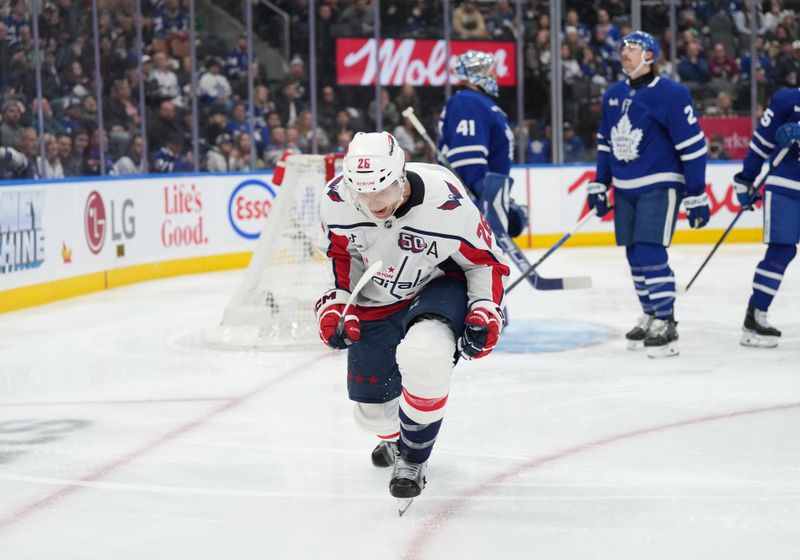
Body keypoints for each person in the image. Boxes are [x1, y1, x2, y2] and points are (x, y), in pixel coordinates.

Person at [315, 131, 509, 509]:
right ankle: (399, 436)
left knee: (425, 355)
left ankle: (412, 460)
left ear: (400, 175)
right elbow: (339, 257)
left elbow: (485, 261)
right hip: (378, 296)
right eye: (363, 193)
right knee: (371, 414)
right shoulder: (337, 199)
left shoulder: (447, 204)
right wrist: (338, 305)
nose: (372, 203)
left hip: (437, 284)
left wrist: (485, 308)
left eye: (382, 190)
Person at [587, 31, 710, 358]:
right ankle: (650, 312)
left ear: (651, 55)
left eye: (633, 48)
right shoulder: (613, 94)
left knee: (650, 250)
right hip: (625, 189)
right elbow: (605, 143)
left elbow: (693, 147)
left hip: (659, 184)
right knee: (634, 254)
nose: (625, 53)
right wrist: (600, 182)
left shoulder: (672, 93)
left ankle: (666, 319)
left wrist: (696, 192)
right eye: (623, 47)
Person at [732, 87, 800, 348]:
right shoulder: (787, 99)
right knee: (781, 252)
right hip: (784, 186)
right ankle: (755, 316)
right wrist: (746, 178)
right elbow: (762, 142)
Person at [437, 50, 527, 239]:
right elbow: (467, 158)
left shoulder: (482, 102)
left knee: (518, 217)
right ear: (470, 74)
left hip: (489, 190)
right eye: (485, 70)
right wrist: (484, 195)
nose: (492, 74)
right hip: (475, 195)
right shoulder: (467, 101)